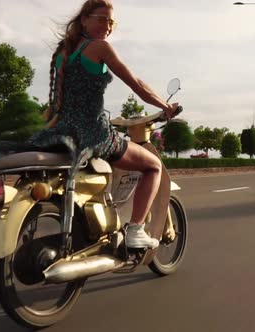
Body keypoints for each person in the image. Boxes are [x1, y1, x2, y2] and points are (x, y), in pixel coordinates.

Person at [30, 0, 180, 249]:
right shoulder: (100, 47)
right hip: (91, 132)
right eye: (102, 19)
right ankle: (135, 231)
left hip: (60, 129)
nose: (107, 26)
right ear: (84, 20)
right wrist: (165, 106)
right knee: (153, 166)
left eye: (111, 22)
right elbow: (136, 84)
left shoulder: (63, 52)